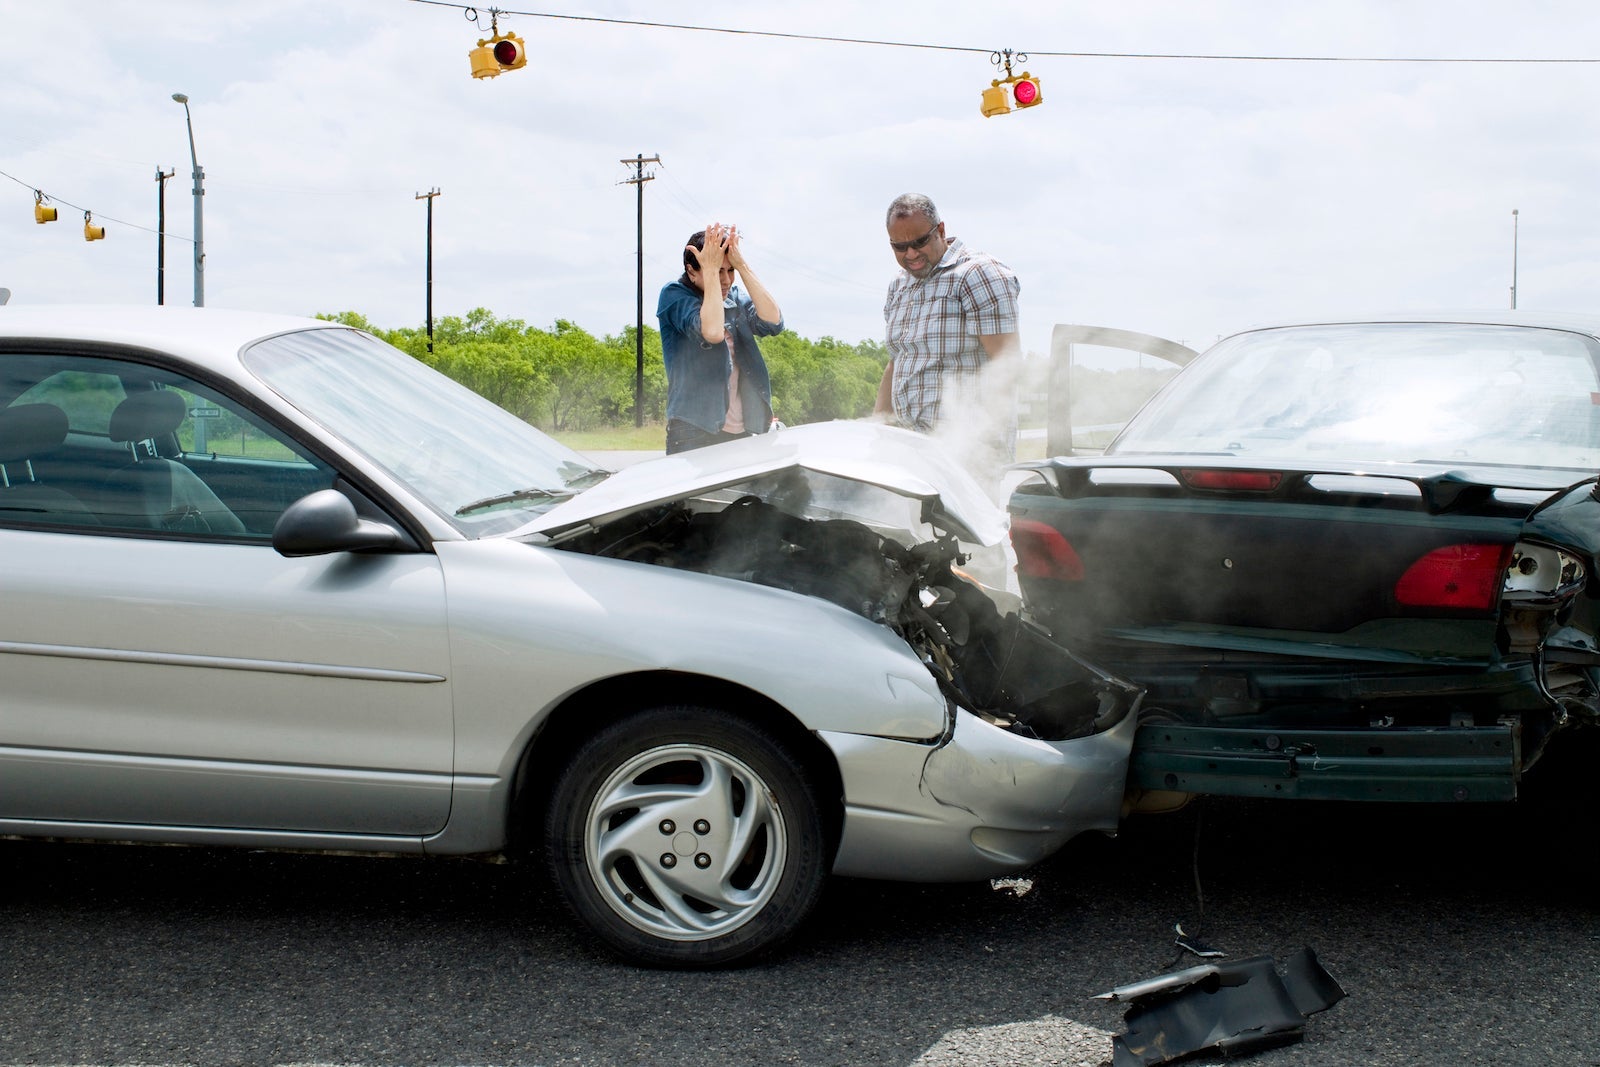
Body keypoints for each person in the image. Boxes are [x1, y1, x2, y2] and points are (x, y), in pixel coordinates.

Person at [874, 193, 1021, 466]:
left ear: (940, 230)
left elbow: (1007, 366)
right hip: (910, 449)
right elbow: (897, 363)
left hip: (966, 452)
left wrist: (978, 443)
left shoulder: (978, 274)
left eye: (919, 242)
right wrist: (878, 431)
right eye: (900, 247)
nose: (911, 254)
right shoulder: (898, 286)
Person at [656, 222, 785, 454]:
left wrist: (742, 266)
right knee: (698, 493)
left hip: (743, 430)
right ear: (692, 270)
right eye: (717, 271)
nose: (726, 281)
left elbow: (773, 322)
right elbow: (713, 332)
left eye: (730, 271)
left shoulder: (734, 297)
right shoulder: (674, 296)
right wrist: (711, 265)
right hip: (693, 430)